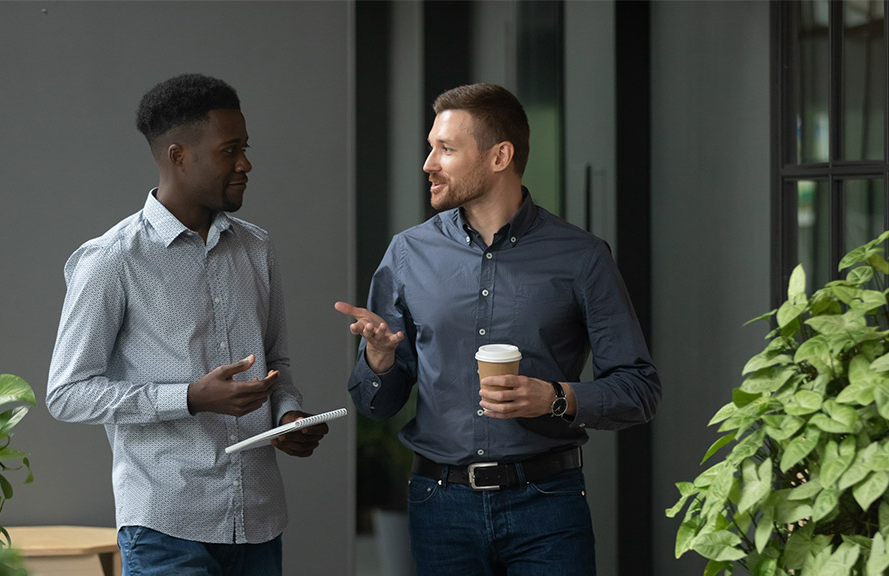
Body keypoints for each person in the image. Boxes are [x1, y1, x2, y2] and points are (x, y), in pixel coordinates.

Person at [336, 83, 661, 575]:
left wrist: (555, 397)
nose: (429, 163)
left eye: (446, 149)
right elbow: (375, 403)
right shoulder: (407, 254)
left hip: (548, 507)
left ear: (499, 156)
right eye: (431, 147)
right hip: (439, 507)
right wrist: (379, 359)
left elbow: (639, 389)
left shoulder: (582, 257)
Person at [47, 73, 329, 576]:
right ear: (178, 155)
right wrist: (191, 397)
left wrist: (288, 417)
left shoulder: (256, 247)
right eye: (230, 150)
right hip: (165, 524)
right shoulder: (111, 260)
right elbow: (67, 393)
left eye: (246, 148)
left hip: (259, 520)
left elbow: (276, 362)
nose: (246, 164)